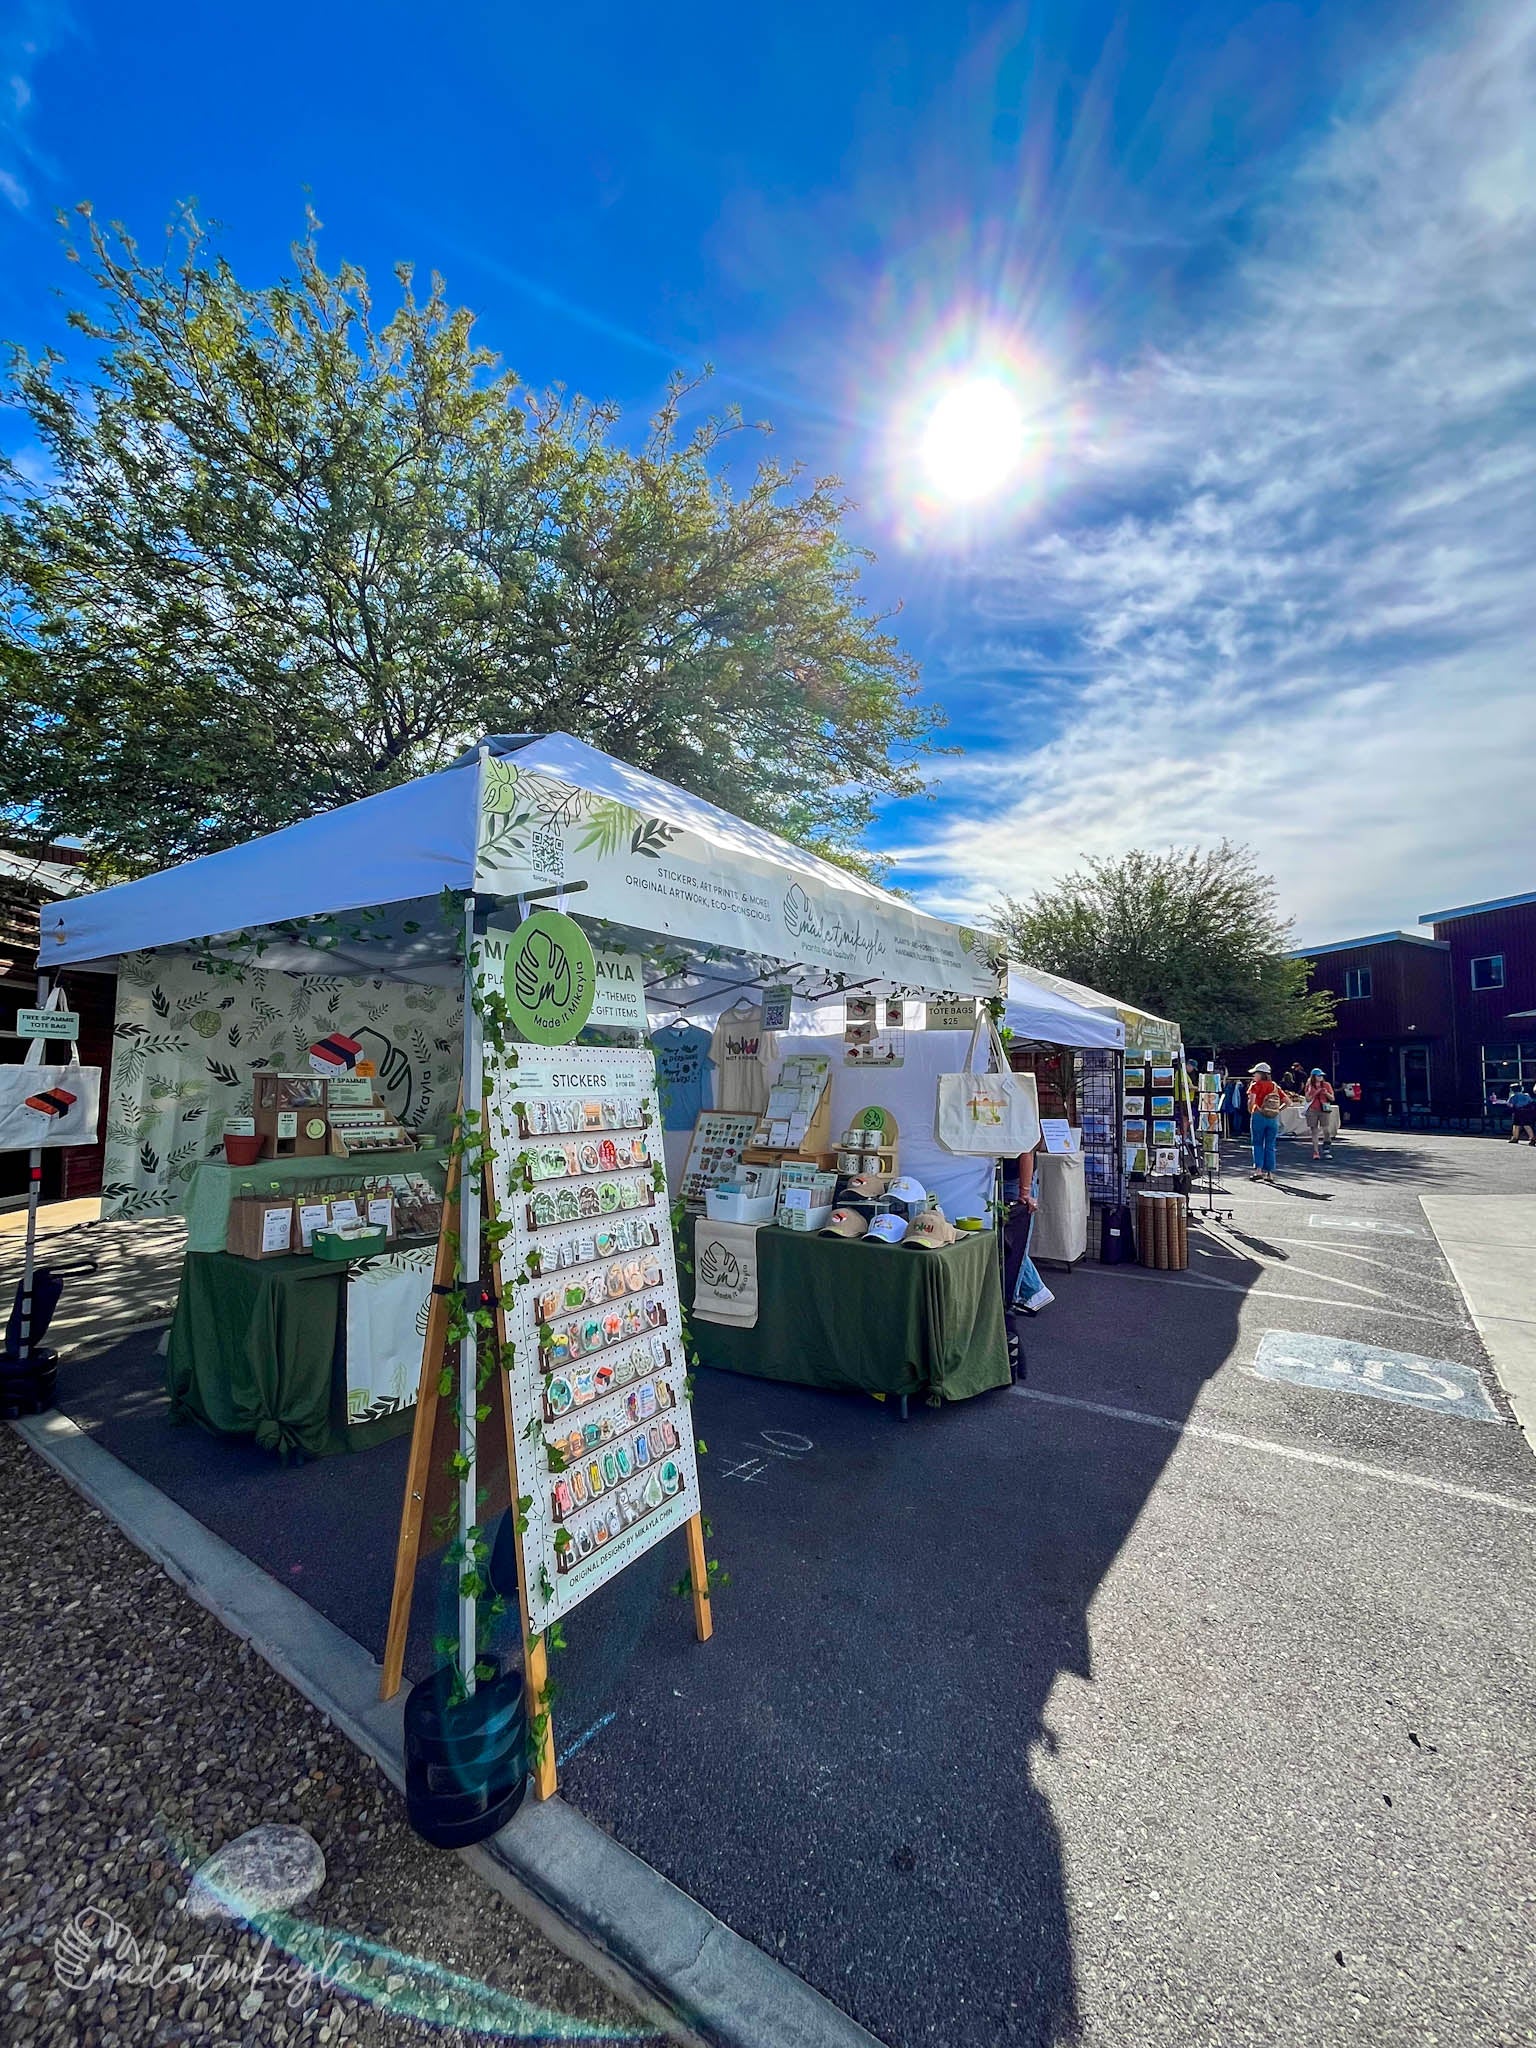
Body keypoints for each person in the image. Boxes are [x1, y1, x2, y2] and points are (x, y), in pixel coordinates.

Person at [1247, 1063, 1286, 1182]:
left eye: (1255, 1073)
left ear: (1261, 1074)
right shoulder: (1275, 1086)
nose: (1253, 1075)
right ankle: (1270, 1173)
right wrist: (1277, 1110)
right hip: (1272, 1118)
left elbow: (1252, 1101)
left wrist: (1252, 1110)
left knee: (1257, 1143)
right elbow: (1288, 1102)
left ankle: (1258, 1171)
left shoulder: (1255, 1085)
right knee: (1270, 1145)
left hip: (1258, 1116)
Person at [1302, 1068, 1336, 1160]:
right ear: (1314, 1077)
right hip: (1313, 1109)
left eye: (1321, 1076)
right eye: (1318, 1076)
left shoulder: (1326, 1085)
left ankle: (1326, 1147)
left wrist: (1326, 1093)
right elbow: (1308, 1099)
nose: (1321, 1077)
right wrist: (1316, 1092)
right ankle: (1316, 1151)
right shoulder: (1309, 1085)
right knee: (1314, 1130)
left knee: (1326, 1129)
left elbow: (1332, 1098)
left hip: (1324, 1108)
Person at [1510, 1082, 1536, 1146]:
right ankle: (1532, 1138)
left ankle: (1515, 1137)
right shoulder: (1526, 1095)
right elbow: (1531, 1102)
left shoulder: (1513, 1096)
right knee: (1527, 1125)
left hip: (1517, 1112)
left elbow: (1510, 1104)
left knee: (1516, 1125)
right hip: (1526, 1112)